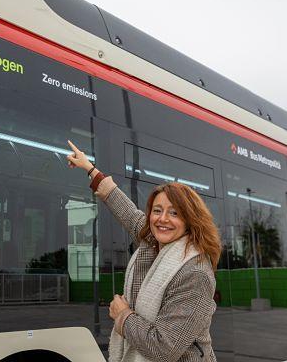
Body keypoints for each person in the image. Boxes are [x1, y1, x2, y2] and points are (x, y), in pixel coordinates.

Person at [66, 140, 222, 362]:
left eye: (175, 213)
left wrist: (123, 316)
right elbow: (127, 212)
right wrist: (90, 169)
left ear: (190, 220)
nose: (163, 219)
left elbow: (164, 348)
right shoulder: (152, 240)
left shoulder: (195, 274)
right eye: (157, 210)